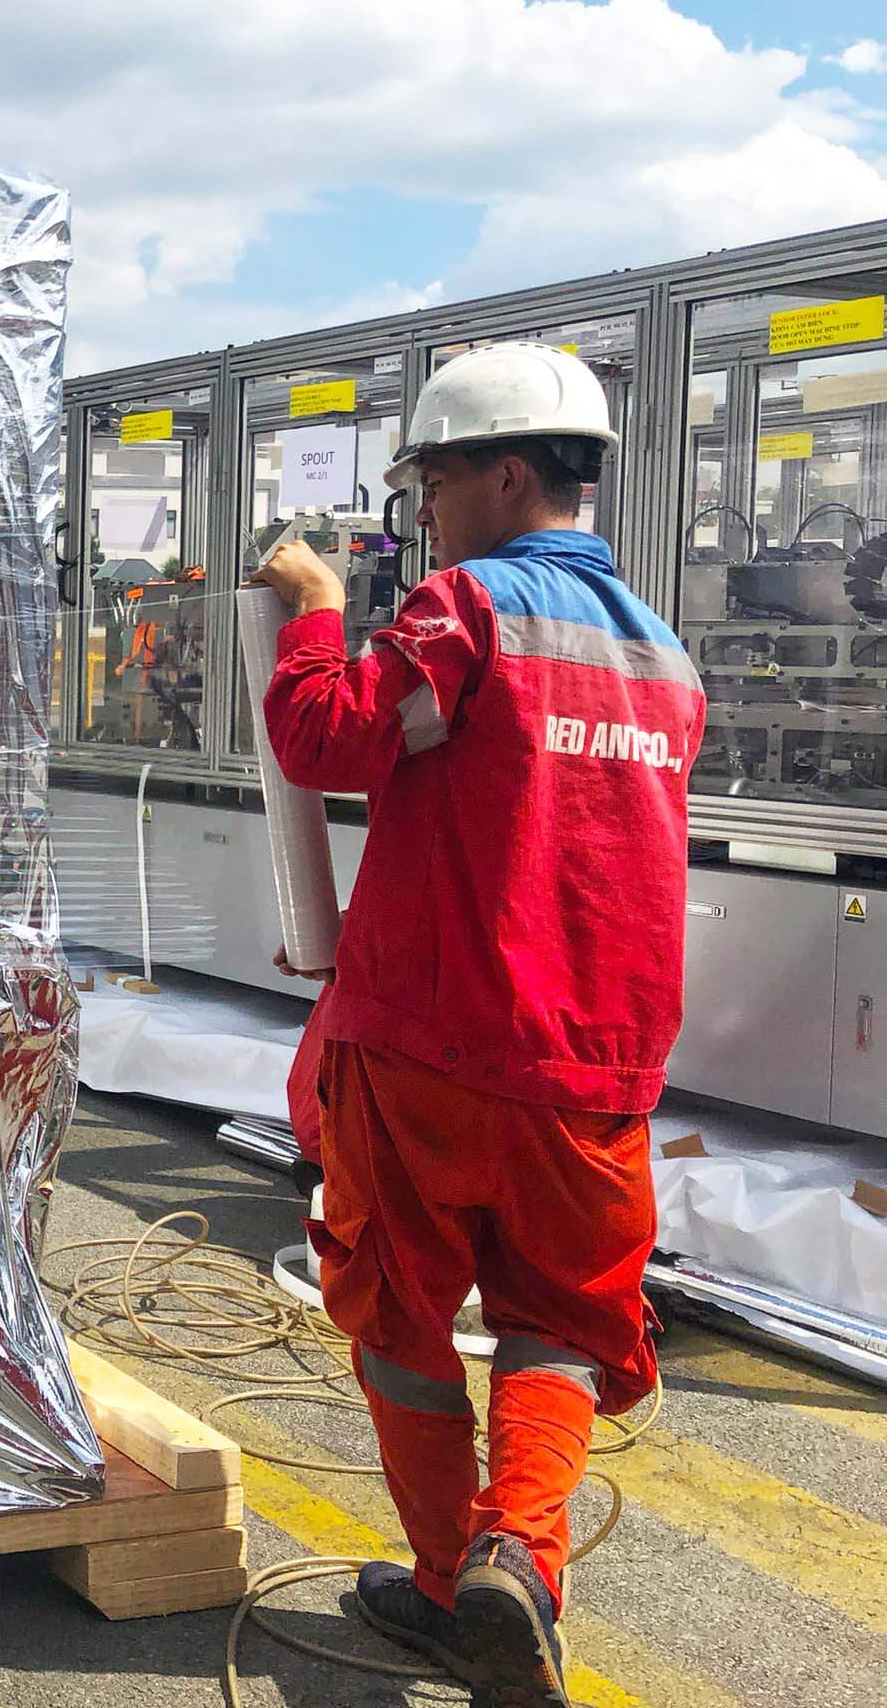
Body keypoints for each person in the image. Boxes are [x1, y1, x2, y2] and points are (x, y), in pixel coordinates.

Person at [249, 343, 704, 1708]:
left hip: (433, 1047)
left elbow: (326, 741)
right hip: (599, 1065)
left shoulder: (468, 609)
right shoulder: (664, 655)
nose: (426, 514)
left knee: (399, 1311)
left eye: (434, 482)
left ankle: (453, 1586)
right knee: (562, 1320)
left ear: (508, 475)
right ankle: (522, 1558)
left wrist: (315, 610)